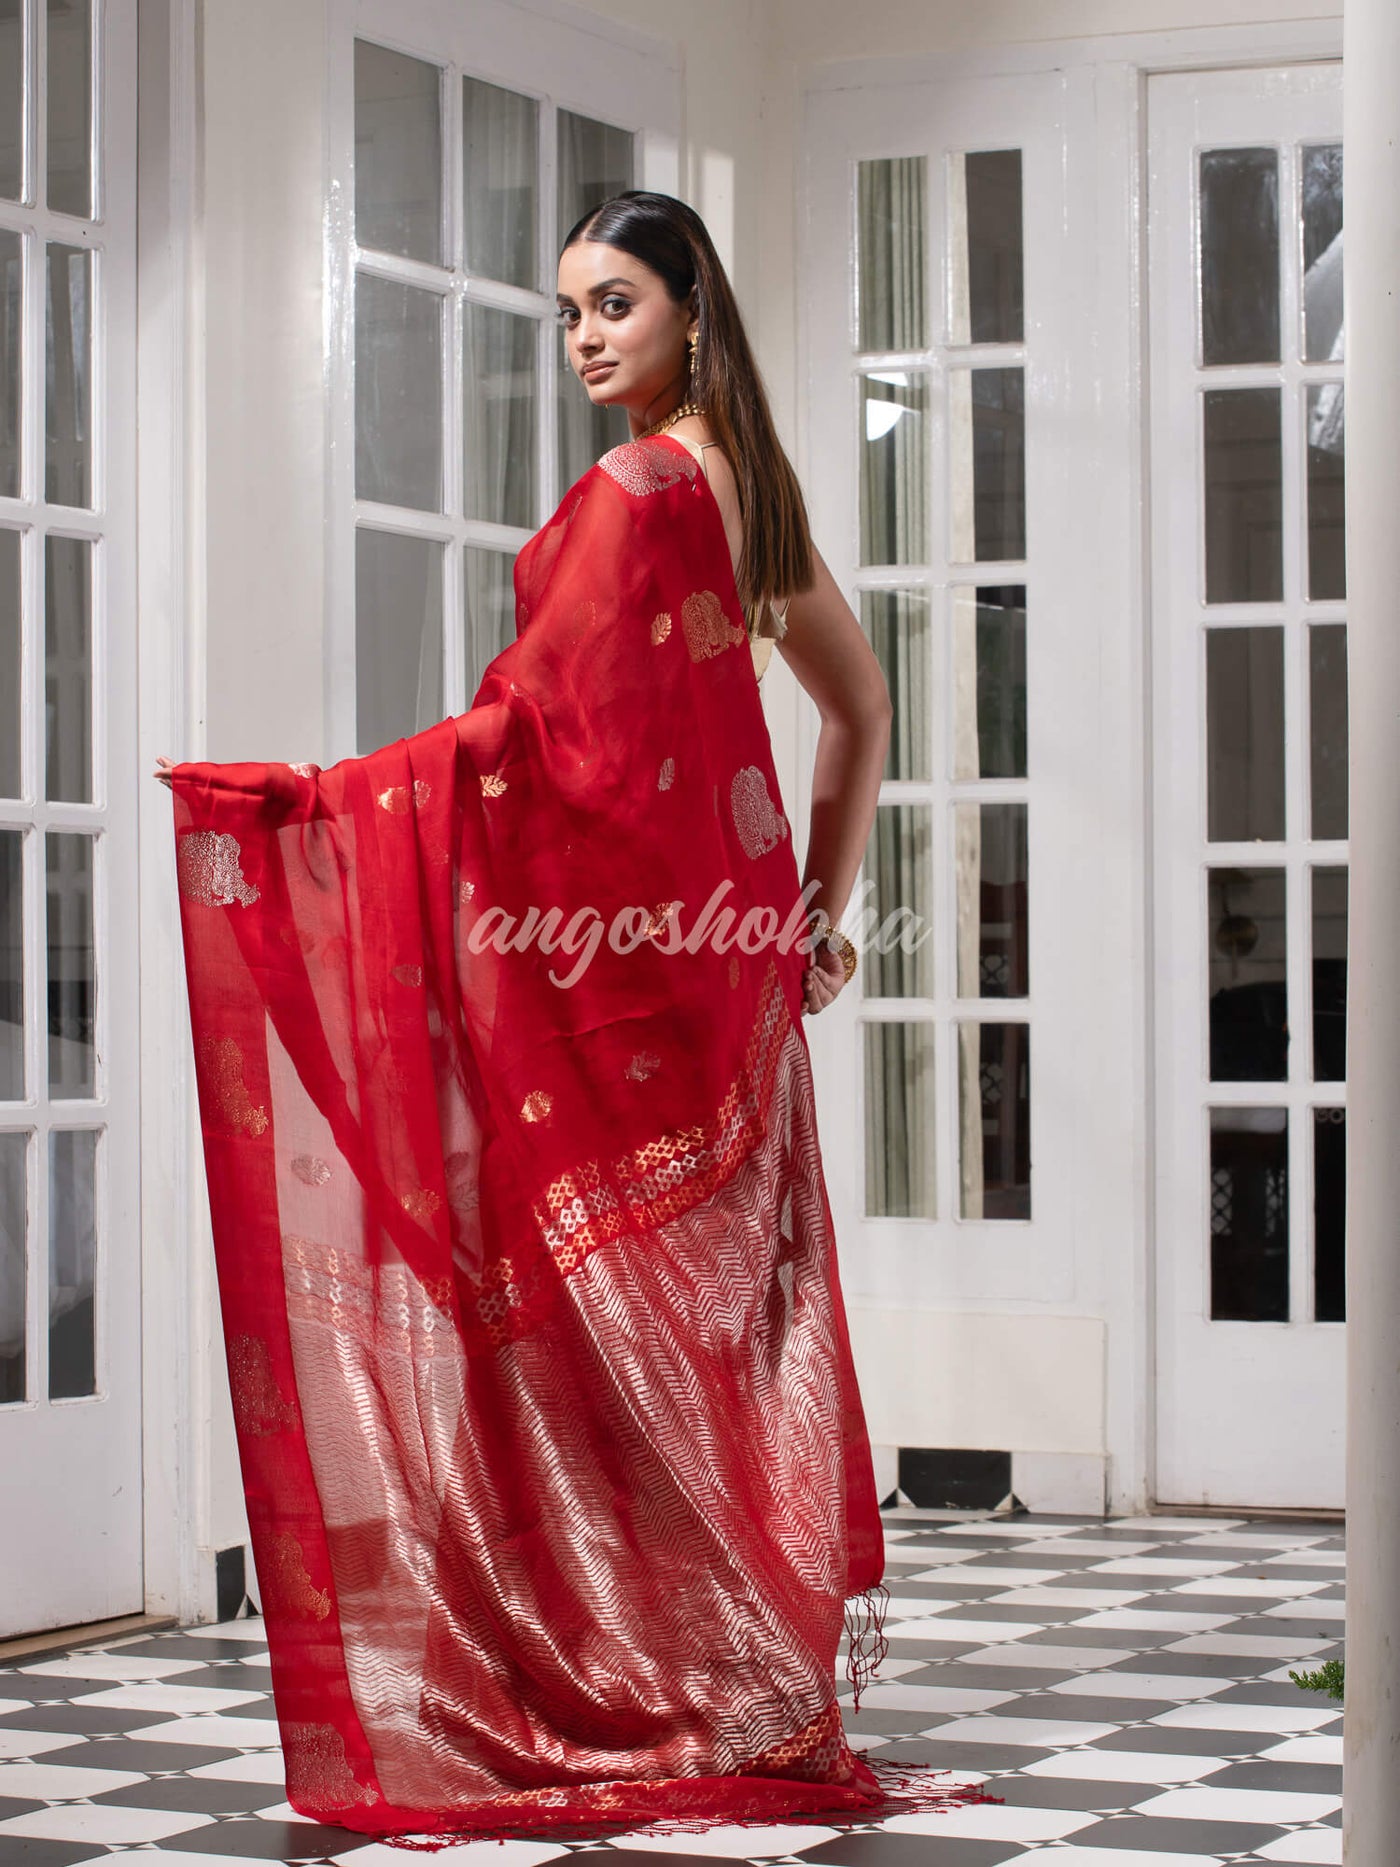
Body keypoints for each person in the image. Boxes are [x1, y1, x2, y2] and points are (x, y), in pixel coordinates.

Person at [153, 192, 982, 1845]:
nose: (588, 338)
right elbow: (861, 704)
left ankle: (644, 1685)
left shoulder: (640, 488)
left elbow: (527, 745)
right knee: (701, 1336)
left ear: (692, 311)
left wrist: (312, 804)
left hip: (634, 985)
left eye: (616, 303)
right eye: (570, 313)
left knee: (608, 1348)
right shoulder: (748, 491)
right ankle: (736, 1684)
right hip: (721, 982)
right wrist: (809, 915)